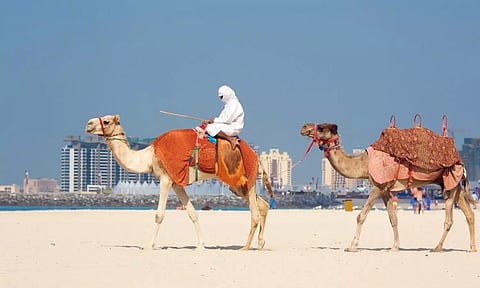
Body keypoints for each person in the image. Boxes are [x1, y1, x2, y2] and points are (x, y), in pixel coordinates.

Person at [202, 85, 245, 149]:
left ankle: (231, 139)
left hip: (233, 127)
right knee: (209, 126)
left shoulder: (234, 104)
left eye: (222, 96)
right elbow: (222, 119)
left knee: (210, 128)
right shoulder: (228, 105)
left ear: (227, 94)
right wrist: (212, 122)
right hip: (228, 125)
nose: (221, 99)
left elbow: (227, 119)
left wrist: (214, 120)